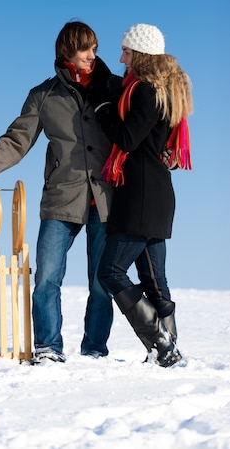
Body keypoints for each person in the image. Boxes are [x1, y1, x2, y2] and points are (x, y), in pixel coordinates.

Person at [0, 21, 114, 363]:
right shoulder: (44, 95)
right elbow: (17, 140)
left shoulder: (111, 88)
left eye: (95, 48)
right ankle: (48, 347)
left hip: (106, 199)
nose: (93, 55)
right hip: (62, 199)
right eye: (85, 48)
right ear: (67, 52)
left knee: (103, 282)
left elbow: (140, 126)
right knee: (46, 277)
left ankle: (94, 350)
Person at [93, 23, 193, 368]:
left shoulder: (146, 92)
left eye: (126, 52)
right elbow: (118, 86)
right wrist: (103, 78)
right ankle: (170, 350)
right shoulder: (163, 90)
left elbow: (126, 137)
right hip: (157, 193)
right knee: (153, 278)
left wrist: (102, 108)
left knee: (111, 271)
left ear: (141, 55)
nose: (121, 58)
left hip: (140, 195)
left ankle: (161, 343)